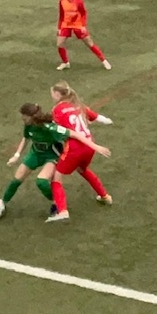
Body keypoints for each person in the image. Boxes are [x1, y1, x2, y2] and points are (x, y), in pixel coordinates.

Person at [2, 102, 109, 216]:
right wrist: (16, 155)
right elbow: (26, 137)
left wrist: (95, 146)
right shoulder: (28, 124)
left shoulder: (50, 127)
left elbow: (73, 134)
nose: (22, 119)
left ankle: (56, 201)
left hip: (51, 156)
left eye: (24, 117)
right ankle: (3, 202)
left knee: (41, 181)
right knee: (17, 179)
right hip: (35, 154)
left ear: (32, 117)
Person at [46, 82, 115, 223]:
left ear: (58, 95)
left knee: (56, 179)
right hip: (89, 146)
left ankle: (62, 211)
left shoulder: (58, 109)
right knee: (83, 169)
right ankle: (105, 196)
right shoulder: (77, 105)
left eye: (52, 93)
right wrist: (107, 120)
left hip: (74, 149)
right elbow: (95, 116)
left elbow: (55, 129)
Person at [56, 0, 111, 71]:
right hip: (66, 24)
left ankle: (104, 61)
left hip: (77, 24)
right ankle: (65, 62)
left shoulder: (79, 1)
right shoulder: (62, 0)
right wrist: (59, 27)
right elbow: (61, 14)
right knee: (60, 43)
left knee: (89, 43)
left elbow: (83, 13)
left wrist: (83, 25)